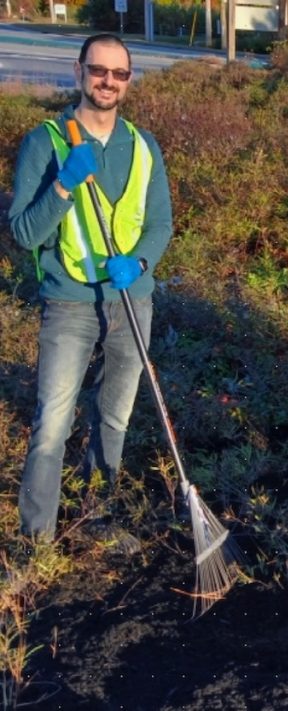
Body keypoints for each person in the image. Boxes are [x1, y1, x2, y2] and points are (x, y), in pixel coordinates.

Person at [9, 34, 173, 548]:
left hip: (131, 300)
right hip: (69, 303)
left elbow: (161, 223)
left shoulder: (143, 146)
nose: (107, 81)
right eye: (98, 70)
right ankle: (38, 540)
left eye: (118, 73)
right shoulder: (47, 142)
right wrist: (62, 186)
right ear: (80, 72)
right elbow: (24, 233)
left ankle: (98, 517)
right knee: (52, 424)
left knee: (115, 417)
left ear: (128, 80)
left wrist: (140, 262)